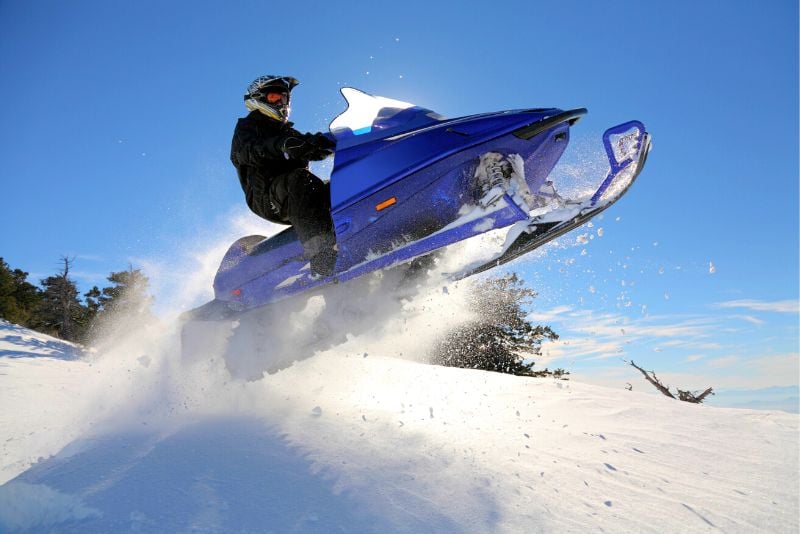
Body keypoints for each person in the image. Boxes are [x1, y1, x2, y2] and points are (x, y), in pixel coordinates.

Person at [230, 75, 338, 276]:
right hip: (267, 197)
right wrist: (281, 146)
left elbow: (310, 145)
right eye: (273, 97)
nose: (280, 102)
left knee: (340, 184)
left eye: (284, 98)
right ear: (258, 99)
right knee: (300, 178)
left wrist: (335, 140)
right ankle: (322, 258)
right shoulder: (247, 128)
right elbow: (246, 152)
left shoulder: (289, 133)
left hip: (298, 194)